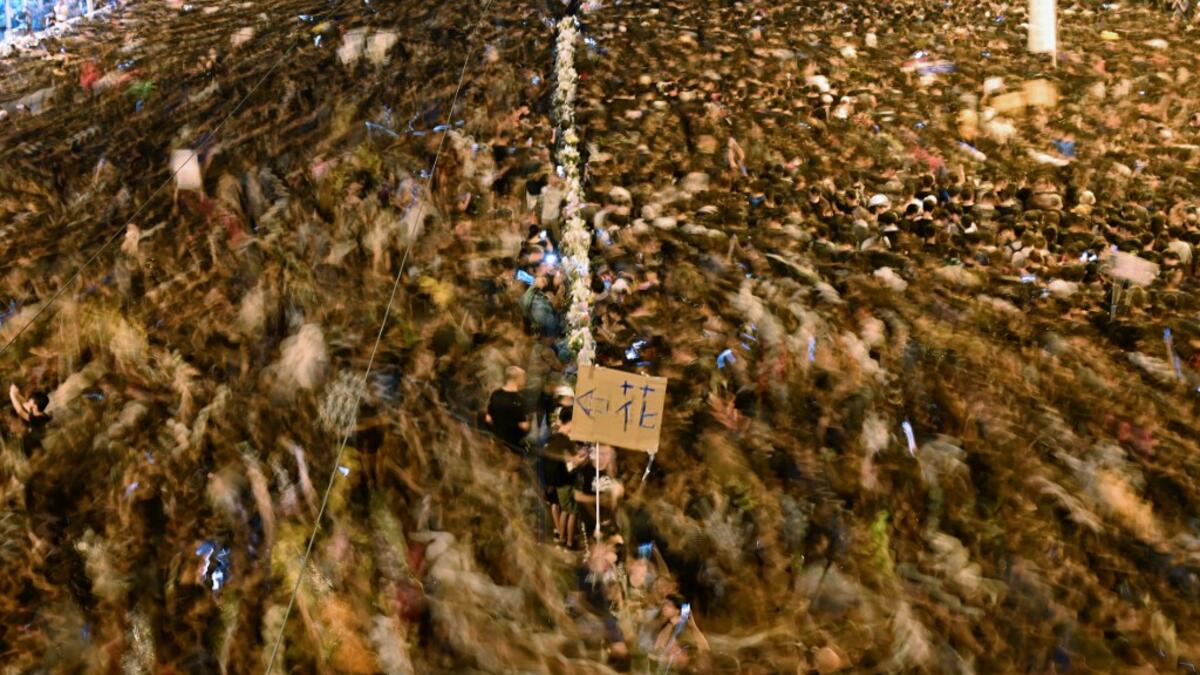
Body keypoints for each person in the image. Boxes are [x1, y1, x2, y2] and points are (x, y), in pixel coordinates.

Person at [485, 366, 530, 453]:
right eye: (523, 377)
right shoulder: (519, 401)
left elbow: (488, 418)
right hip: (513, 445)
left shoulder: (495, 394)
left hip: (497, 441)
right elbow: (524, 426)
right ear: (517, 379)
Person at [10, 383, 52, 455]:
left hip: (31, 440)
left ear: (34, 406)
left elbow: (20, 411)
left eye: (29, 401)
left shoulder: (37, 418)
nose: (27, 401)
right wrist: (16, 394)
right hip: (37, 438)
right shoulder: (39, 413)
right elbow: (24, 403)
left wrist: (12, 394)